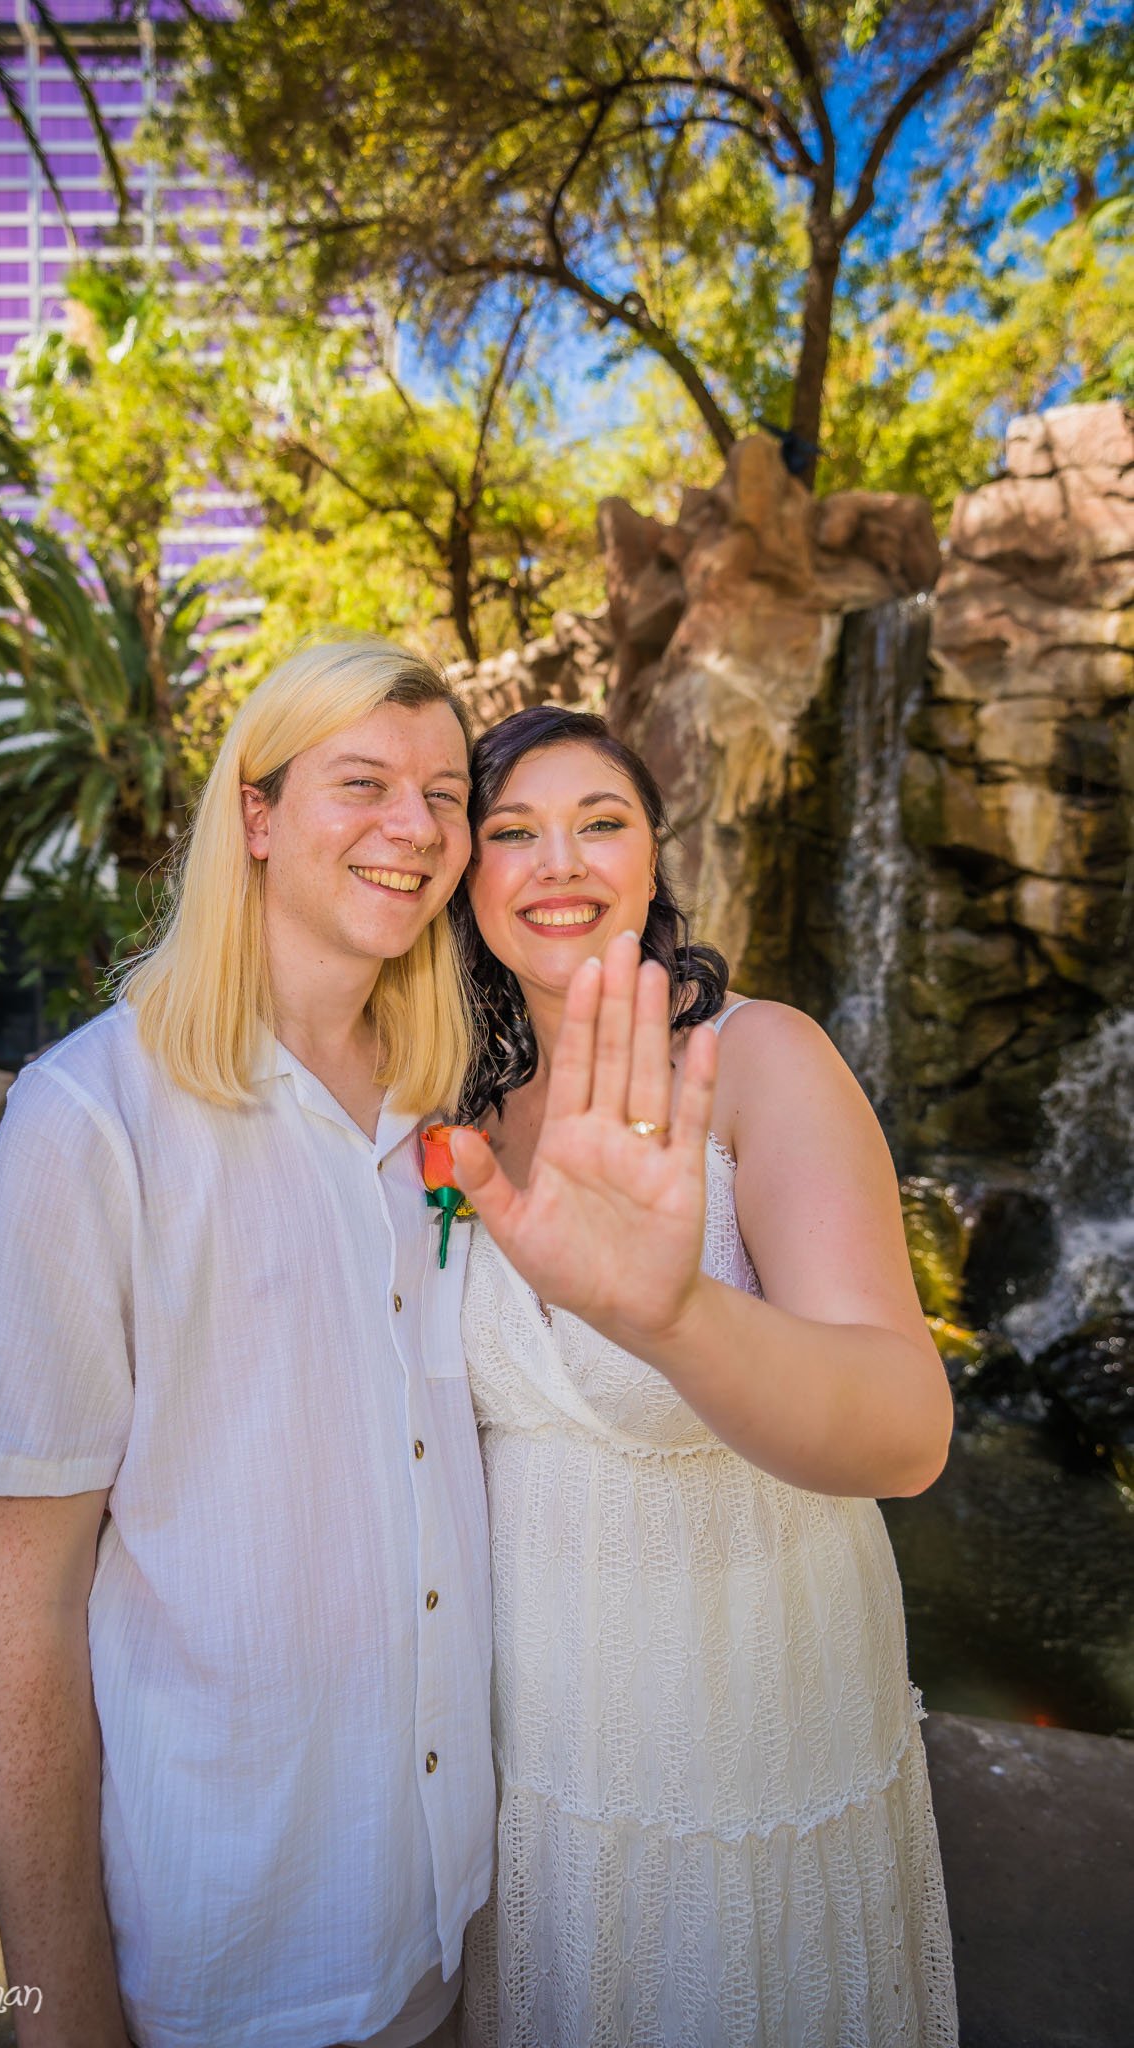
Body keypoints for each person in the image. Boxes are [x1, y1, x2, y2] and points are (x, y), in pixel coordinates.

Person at [0, 638, 495, 2048]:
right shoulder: (89, 1120)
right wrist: (63, 2015)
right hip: (232, 1953)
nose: (415, 829)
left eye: (447, 794)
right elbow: (25, 1612)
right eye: (363, 783)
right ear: (256, 815)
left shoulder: (447, 1107)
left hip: (446, 1915)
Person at [445, 706, 959, 2048]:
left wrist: (671, 1314)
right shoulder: (451, 1103)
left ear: (654, 857)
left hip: (749, 1721)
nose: (558, 862)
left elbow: (905, 1434)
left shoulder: (758, 1059)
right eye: (511, 832)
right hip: (538, 1743)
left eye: (599, 822)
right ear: (464, 873)